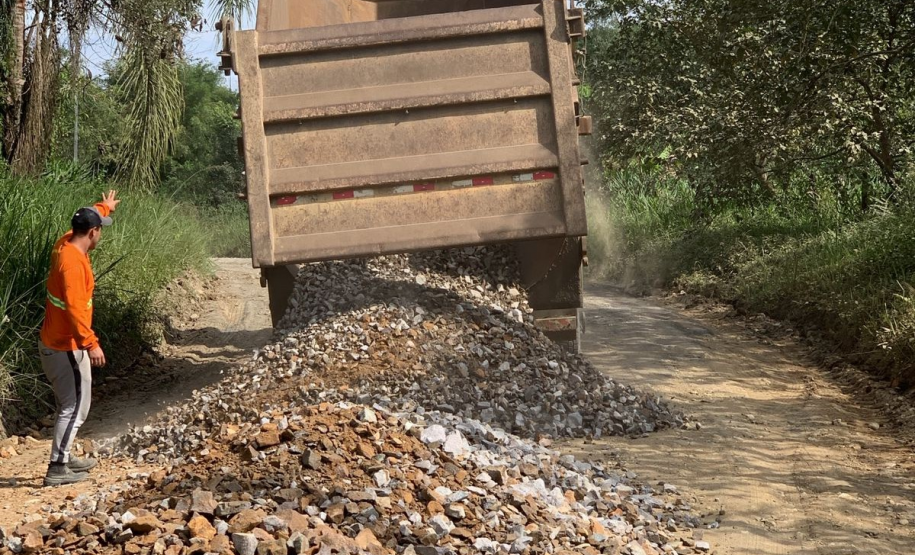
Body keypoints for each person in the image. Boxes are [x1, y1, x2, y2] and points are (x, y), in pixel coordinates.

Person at [39, 190, 120, 486]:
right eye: (100, 229)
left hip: (57, 342)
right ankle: (57, 468)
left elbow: (85, 221)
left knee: (71, 405)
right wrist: (91, 344)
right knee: (74, 407)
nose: (101, 236)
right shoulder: (72, 264)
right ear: (93, 232)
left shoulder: (66, 244)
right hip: (66, 346)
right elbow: (74, 310)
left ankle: (65, 455)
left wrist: (104, 208)